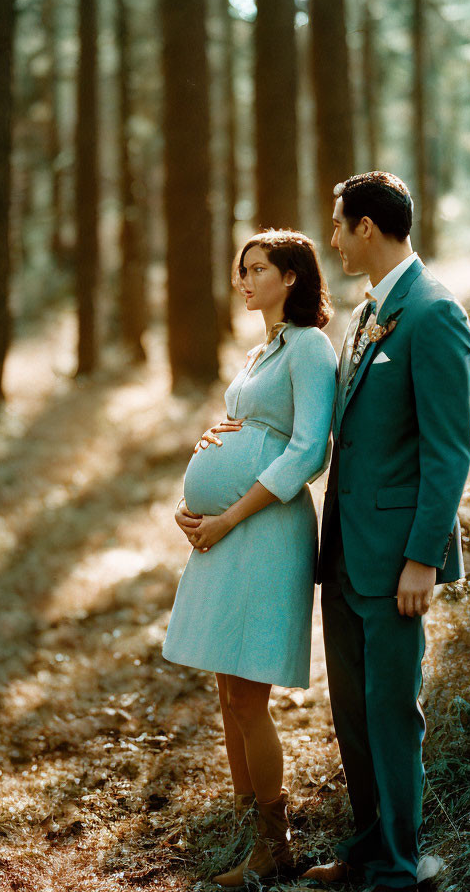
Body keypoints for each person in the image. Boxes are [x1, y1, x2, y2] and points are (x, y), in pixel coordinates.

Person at [303, 171, 470, 892]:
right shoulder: (367, 311)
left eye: (340, 225)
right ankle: (369, 848)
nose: (334, 239)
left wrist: (422, 559)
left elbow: (448, 451)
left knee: (392, 715)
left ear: (367, 227)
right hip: (344, 557)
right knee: (353, 716)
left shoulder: (434, 313)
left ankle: (402, 867)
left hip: (396, 563)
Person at [163, 229, 337, 886]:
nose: (243, 279)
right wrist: (197, 499)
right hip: (227, 530)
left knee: (246, 688)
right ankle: (247, 819)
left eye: (256, 268)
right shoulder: (268, 349)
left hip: (265, 530)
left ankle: (275, 843)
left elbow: (308, 450)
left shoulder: (311, 347)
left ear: (291, 276)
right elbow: (246, 432)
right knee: (226, 684)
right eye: (241, 269)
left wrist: (230, 511)